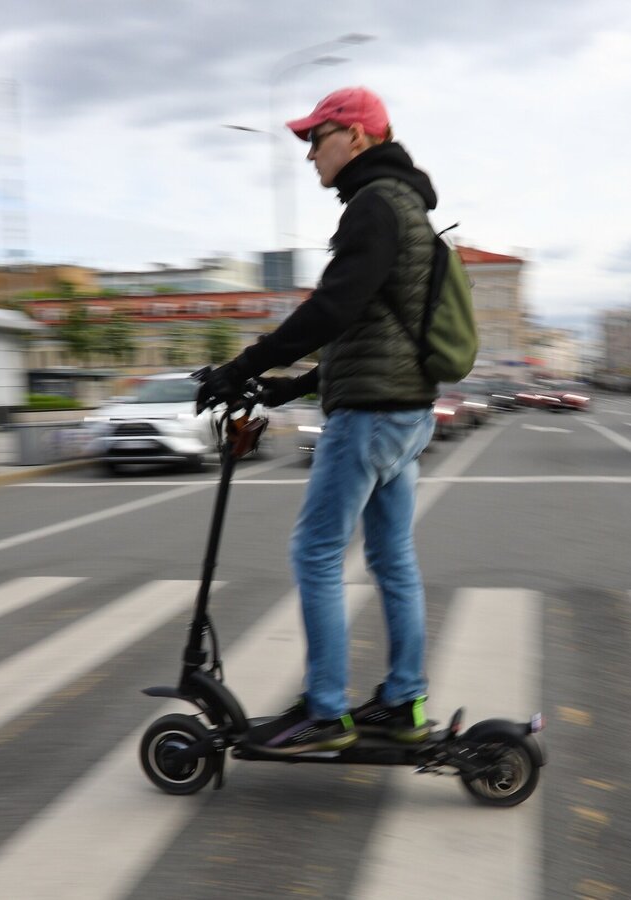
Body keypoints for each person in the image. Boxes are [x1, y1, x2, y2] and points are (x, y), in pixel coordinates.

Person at [196, 86, 440, 755]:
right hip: (405, 410)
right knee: (393, 561)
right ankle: (404, 700)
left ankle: (327, 712)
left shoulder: (374, 205)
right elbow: (369, 325)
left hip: (369, 417)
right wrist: (289, 387)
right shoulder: (406, 204)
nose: (309, 155)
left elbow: (332, 309)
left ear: (356, 137)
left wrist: (242, 366)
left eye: (316, 139)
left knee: (316, 552)